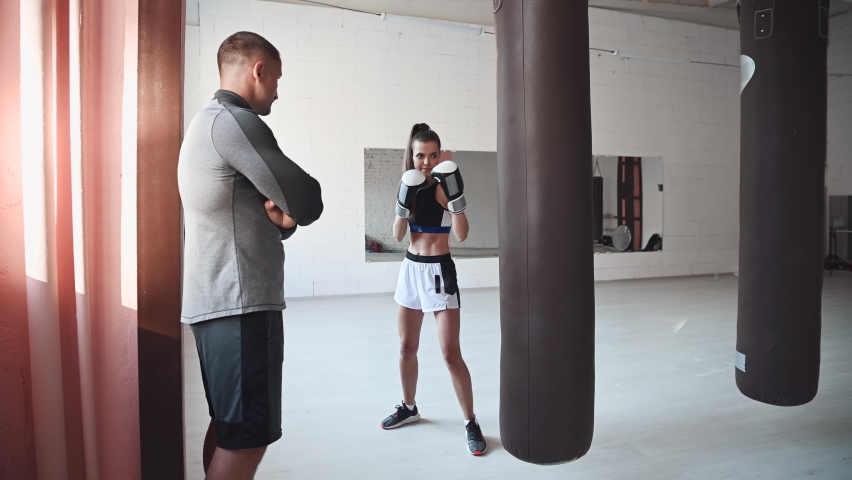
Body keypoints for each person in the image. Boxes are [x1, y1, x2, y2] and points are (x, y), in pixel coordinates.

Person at [178, 31, 323, 480]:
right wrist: (293, 214)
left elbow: (246, 215)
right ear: (258, 70)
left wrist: (281, 225)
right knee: (247, 438)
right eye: (275, 80)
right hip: (239, 305)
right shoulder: (234, 121)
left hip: (216, 302)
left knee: (229, 429)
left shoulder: (205, 124)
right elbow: (308, 198)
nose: (277, 92)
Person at [380, 123, 487, 456]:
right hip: (411, 270)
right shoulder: (408, 186)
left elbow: (464, 235)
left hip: (440, 271)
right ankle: (409, 407)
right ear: (411, 157)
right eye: (419, 155)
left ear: (439, 155)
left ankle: (470, 422)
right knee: (405, 347)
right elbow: (398, 236)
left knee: (450, 354)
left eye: (432, 155)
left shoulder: (444, 187)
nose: (425, 162)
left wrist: (456, 200)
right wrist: (402, 202)